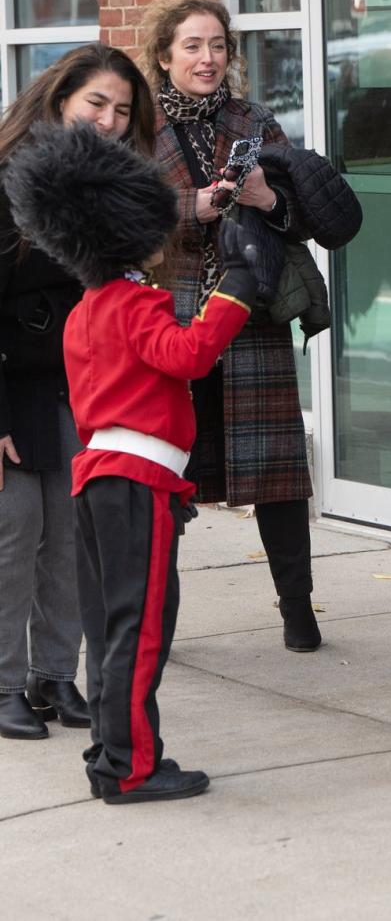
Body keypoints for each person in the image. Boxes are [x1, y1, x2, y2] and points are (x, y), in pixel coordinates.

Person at [4, 120, 259, 802]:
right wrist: (236, 286)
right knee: (137, 630)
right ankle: (129, 768)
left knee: (116, 627)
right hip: (135, 482)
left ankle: (110, 755)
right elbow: (189, 355)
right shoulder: (133, 301)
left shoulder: (86, 307)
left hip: (104, 479)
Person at [139, 0, 361, 653]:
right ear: (163, 55)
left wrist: (267, 197)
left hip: (250, 310)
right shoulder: (136, 125)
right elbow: (115, 214)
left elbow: (299, 214)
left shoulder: (252, 119)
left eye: (217, 46)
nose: (208, 59)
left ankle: (299, 611)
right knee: (164, 477)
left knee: (277, 474)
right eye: (193, 47)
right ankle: (157, 622)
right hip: (168, 315)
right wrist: (191, 207)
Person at [0, 43, 155, 740]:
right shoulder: (7, 176)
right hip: (9, 384)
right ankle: (3, 681)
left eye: (121, 110)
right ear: (61, 97)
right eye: (96, 103)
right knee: (15, 530)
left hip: (75, 384)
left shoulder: (106, 184)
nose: (108, 120)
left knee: (68, 536)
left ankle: (55, 674)